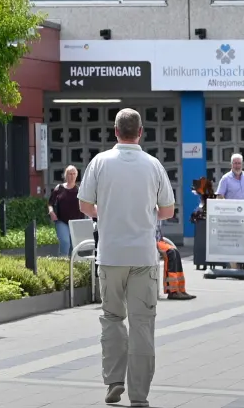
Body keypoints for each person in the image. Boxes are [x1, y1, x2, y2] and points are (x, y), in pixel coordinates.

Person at [78, 108, 176, 408]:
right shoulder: (153, 165)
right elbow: (168, 211)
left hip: (109, 255)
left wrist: (105, 212)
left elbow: (84, 204)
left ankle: (114, 380)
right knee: (143, 323)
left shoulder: (100, 162)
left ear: (115, 131)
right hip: (144, 256)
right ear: (141, 131)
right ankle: (139, 395)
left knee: (112, 318)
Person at [215, 154, 244, 269]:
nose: (237, 166)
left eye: (239, 163)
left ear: (242, 164)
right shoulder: (225, 179)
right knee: (234, 241)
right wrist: (227, 210)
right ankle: (234, 268)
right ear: (231, 164)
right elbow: (220, 196)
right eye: (235, 163)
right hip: (233, 217)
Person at [49, 164, 83, 257]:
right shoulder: (59, 188)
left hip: (76, 222)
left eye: (74, 174)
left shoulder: (80, 190)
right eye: (69, 174)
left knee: (75, 246)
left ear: (76, 175)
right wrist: (51, 212)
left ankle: (73, 266)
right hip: (61, 221)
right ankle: (63, 262)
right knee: (65, 242)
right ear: (65, 175)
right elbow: (50, 203)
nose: (72, 176)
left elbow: (86, 204)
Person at [155, 222, 195, 301]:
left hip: (158, 241)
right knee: (171, 253)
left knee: (175, 252)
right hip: (152, 241)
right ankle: (172, 291)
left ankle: (180, 290)